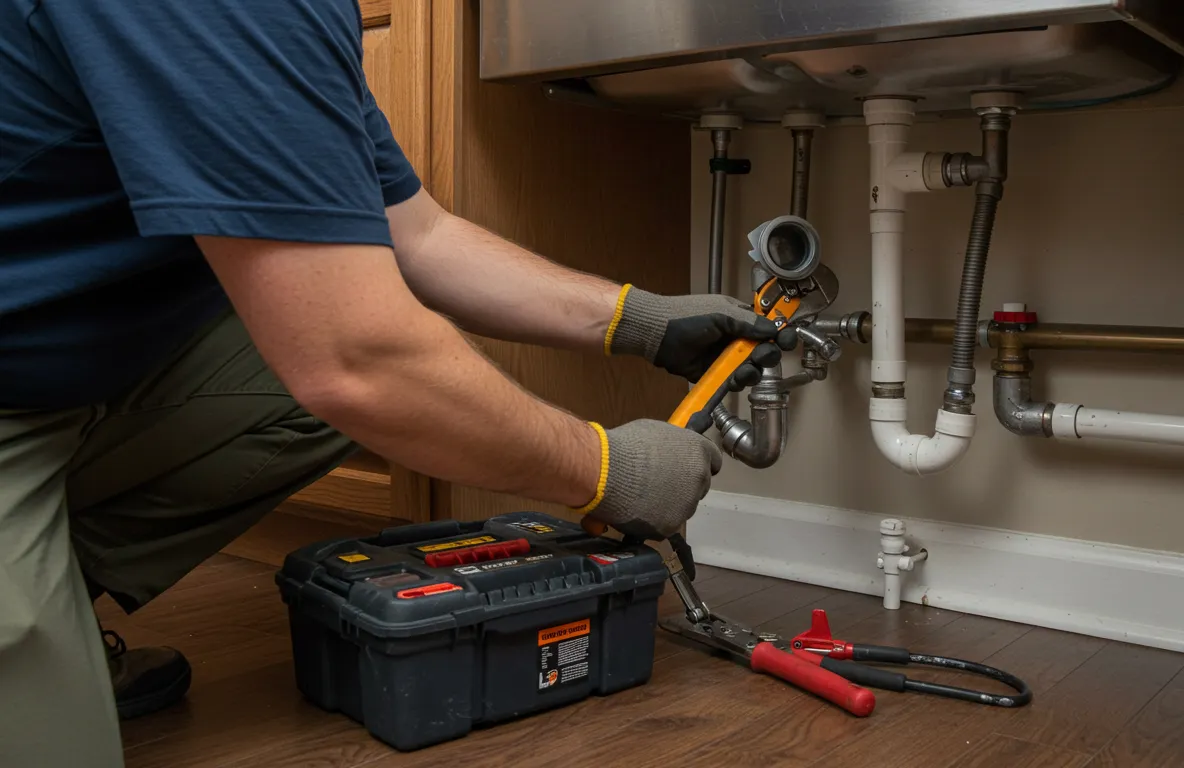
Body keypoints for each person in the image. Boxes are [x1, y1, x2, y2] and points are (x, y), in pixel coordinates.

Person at [0, 1, 792, 764]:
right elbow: (355, 357)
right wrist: (606, 471)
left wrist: (639, 320)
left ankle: (57, 590)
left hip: (55, 369)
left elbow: (418, 234)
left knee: (336, 311)